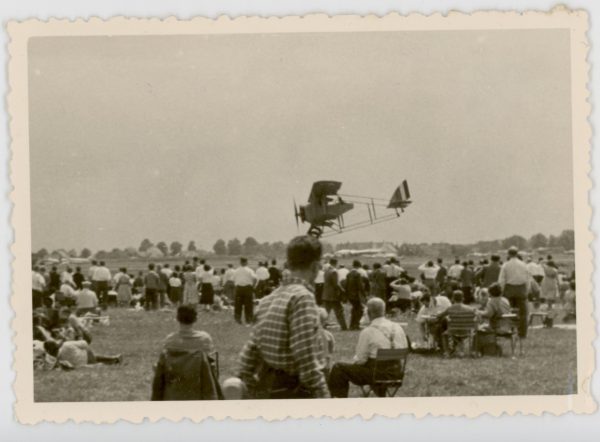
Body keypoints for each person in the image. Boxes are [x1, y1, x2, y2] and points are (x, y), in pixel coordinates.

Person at [238, 235, 330, 399]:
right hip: (294, 390)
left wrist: (251, 386)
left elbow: (249, 353)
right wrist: (323, 395)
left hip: (270, 387)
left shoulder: (269, 299)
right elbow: (306, 357)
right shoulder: (302, 298)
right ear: (316, 266)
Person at [328, 297, 408, 398]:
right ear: (383, 310)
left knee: (338, 368)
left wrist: (353, 362)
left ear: (369, 313)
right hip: (396, 373)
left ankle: (338, 402)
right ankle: (382, 395)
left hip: (375, 375)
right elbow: (405, 348)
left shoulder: (368, 331)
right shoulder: (397, 327)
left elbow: (361, 360)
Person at [151, 305, 220, 401]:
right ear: (196, 318)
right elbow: (210, 366)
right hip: (199, 383)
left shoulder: (170, 340)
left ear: (177, 318)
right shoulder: (205, 338)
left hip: (175, 384)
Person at [498, 246, 530, 340]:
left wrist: (501, 291)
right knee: (523, 313)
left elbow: (502, 280)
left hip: (509, 289)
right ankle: (522, 333)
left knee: (508, 311)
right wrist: (526, 291)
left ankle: (510, 331)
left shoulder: (505, 265)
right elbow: (528, 279)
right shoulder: (524, 265)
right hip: (521, 289)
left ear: (508, 254)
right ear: (517, 253)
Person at [322, 258, 348, 331]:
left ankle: (321, 327)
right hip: (333, 295)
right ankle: (344, 327)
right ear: (336, 263)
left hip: (326, 294)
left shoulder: (326, 271)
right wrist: (343, 290)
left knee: (326, 312)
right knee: (339, 311)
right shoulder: (334, 271)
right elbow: (336, 284)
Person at [233, 257, 257, 325]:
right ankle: (248, 320)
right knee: (248, 305)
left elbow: (233, 280)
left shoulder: (236, 270)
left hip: (239, 288)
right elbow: (255, 279)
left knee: (238, 305)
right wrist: (253, 286)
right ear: (246, 262)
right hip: (247, 288)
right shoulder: (249, 270)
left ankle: (238, 320)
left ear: (240, 262)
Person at [345, 260, 367, 330]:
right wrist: (364, 294)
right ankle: (356, 324)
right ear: (358, 266)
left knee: (355, 309)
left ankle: (352, 325)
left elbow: (346, 285)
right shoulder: (357, 274)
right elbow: (360, 286)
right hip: (356, 295)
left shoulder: (349, 274)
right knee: (359, 310)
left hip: (350, 295)